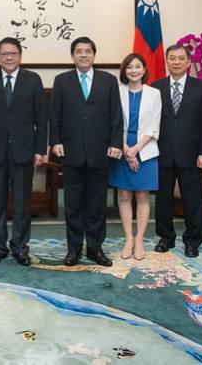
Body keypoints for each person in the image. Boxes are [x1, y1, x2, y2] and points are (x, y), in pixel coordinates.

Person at [50, 36, 123, 267]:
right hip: (70, 152)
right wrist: (56, 141)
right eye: (79, 51)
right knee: (72, 204)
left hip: (100, 151)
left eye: (88, 51)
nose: (83, 55)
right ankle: (73, 250)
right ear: (72, 56)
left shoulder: (108, 80)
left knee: (96, 204)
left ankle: (94, 248)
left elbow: (116, 116)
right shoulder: (62, 80)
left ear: (94, 54)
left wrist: (115, 143)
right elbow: (55, 116)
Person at [0, 37, 47, 266]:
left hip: (23, 152)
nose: (9, 57)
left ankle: (20, 247)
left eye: (13, 53)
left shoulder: (33, 80)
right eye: (4, 54)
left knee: (21, 205)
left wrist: (39, 150)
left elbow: (42, 120)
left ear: (20, 55)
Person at [152, 44, 202, 258]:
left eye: (180, 58)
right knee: (162, 200)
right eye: (172, 58)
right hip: (162, 153)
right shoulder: (155, 87)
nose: (176, 62)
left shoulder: (201, 87)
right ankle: (166, 237)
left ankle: (193, 241)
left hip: (192, 154)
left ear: (188, 62)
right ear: (166, 62)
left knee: (193, 200)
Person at [109, 53, 161, 261]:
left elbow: (154, 126)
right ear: (124, 71)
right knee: (124, 196)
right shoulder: (117, 92)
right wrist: (125, 149)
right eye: (129, 67)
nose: (134, 70)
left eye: (138, 66)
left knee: (142, 196)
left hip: (146, 150)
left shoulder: (154, 93)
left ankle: (139, 239)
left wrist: (136, 150)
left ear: (144, 70)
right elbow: (113, 123)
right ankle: (128, 239)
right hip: (121, 147)